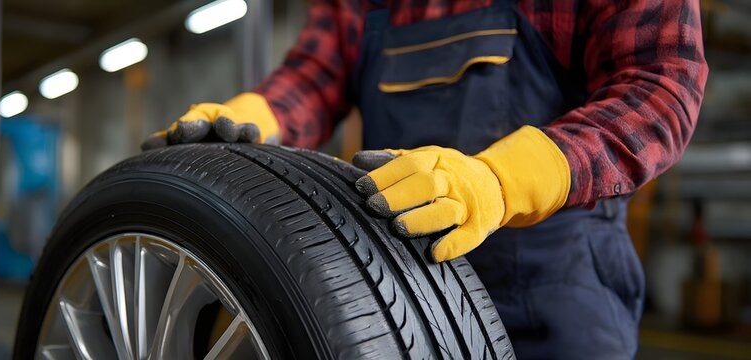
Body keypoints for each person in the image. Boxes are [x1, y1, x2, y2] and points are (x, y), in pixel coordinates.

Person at [143, 0, 707, 357]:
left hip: (556, 290)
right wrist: (251, 117)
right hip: (398, 285)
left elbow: (660, 85)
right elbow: (316, 75)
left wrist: (500, 180)